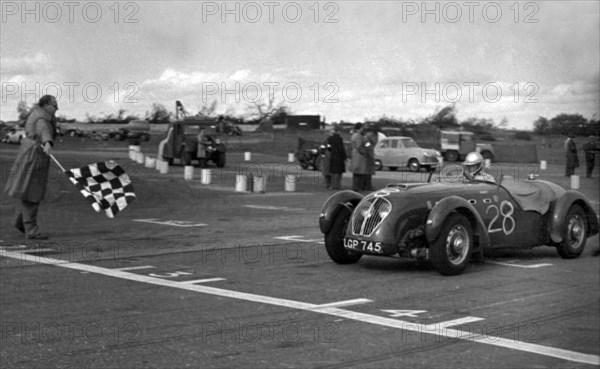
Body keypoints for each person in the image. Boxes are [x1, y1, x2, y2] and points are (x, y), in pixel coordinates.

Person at [4, 95, 59, 240]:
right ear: (46, 105)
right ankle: (31, 230)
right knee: (33, 193)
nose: (56, 108)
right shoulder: (42, 117)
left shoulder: (37, 114)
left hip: (29, 154)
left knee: (27, 191)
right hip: (35, 157)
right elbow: (43, 130)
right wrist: (48, 143)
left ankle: (20, 222)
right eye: (54, 105)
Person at [326, 124, 347, 190]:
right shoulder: (339, 138)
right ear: (339, 131)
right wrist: (344, 156)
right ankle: (337, 185)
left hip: (332, 156)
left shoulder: (330, 139)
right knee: (338, 172)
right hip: (339, 157)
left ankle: (333, 185)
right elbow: (341, 148)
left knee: (333, 172)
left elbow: (328, 147)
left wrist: (331, 151)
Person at [351, 123, 369, 191]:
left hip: (354, 153)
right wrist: (365, 153)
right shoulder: (358, 136)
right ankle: (357, 187)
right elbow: (359, 146)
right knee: (359, 172)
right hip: (359, 155)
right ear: (360, 128)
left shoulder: (353, 135)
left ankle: (355, 186)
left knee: (356, 172)